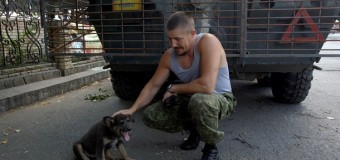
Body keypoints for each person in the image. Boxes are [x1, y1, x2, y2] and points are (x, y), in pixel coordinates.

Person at [113, 11, 237, 160]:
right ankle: (195, 130)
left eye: (178, 39)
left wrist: (174, 89)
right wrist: (132, 109)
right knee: (150, 115)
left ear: (193, 33)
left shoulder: (208, 41)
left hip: (220, 98)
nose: (173, 44)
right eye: (170, 39)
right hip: (193, 99)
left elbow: (207, 86)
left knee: (200, 101)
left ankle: (211, 148)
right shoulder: (169, 56)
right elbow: (153, 85)